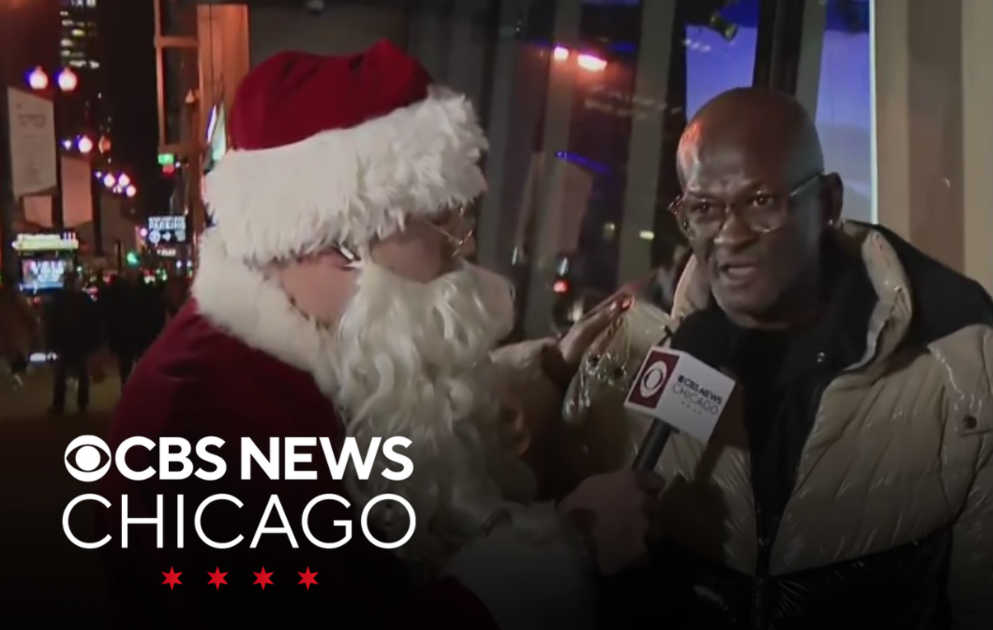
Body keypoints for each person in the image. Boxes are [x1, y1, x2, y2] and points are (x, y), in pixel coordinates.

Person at [99, 41, 659, 629]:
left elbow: (398, 399)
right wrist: (568, 551)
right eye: (440, 223)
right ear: (344, 240)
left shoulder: (311, 344)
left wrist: (545, 371)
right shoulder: (192, 427)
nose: (457, 255)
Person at [559, 87, 993, 628]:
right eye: (704, 209)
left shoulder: (958, 382)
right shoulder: (629, 355)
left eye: (760, 202)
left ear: (827, 204)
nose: (730, 237)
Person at [44, 271, 102, 414]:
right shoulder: (83, 299)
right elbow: (94, 322)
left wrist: (51, 341)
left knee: (62, 374)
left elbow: (52, 322)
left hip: (65, 340)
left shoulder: (59, 299)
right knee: (80, 373)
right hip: (79, 340)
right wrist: (94, 342)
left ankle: (60, 404)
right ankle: (81, 404)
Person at [0, 270, 37, 388]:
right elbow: (27, 313)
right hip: (16, 333)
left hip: (5, 333)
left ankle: (13, 376)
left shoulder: (3, 296)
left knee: (9, 355)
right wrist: (34, 322)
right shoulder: (17, 296)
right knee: (17, 355)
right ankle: (16, 378)